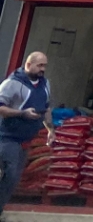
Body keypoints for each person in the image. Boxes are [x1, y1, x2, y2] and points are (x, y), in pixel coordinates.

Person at [0, 51, 49, 213]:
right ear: (28, 64)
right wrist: (22, 113)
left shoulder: (45, 85)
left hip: (25, 140)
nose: (43, 69)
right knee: (10, 174)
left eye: (45, 66)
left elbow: (47, 108)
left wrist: (51, 129)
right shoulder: (12, 83)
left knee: (13, 180)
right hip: (7, 138)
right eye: (40, 65)